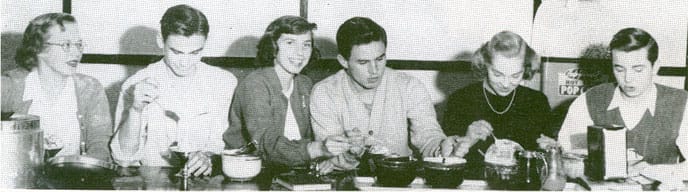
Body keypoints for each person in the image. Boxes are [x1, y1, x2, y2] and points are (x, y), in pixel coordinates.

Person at [310, 17, 458, 172]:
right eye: (363, 62)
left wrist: (443, 149)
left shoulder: (409, 86)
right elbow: (330, 157)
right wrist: (351, 153)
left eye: (380, 59)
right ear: (343, 61)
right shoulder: (324, 93)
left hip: (400, 180)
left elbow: (427, 136)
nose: (374, 70)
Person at [111, 4, 238, 177]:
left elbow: (231, 144)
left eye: (195, 52)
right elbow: (123, 158)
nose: (185, 62)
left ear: (205, 43)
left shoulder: (224, 83)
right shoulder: (135, 85)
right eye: (177, 52)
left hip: (207, 182)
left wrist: (209, 157)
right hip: (154, 183)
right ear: (160, 41)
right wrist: (136, 110)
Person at [558, 28, 687, 190]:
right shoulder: (589, 100)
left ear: (655, 67)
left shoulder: (680, 103)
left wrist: (652, 171)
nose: (627, 78)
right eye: (619, 69)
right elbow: (568, 158)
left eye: (638, 69)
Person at [223, 16, 350, 170]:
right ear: (273, 47)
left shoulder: (304, 84)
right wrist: (318, 149)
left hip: (293, 171)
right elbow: (266, 145)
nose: (300, 53)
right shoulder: (255, 84)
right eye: (290, 43)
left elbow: (311, 138)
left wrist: (327, 158)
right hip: (247, 170)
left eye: (306, 45)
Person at [442, 31, 557, 178]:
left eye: (515, 76)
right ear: (485, 65)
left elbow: (545, 165)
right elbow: (445, 166)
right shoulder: (461, 100)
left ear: (526, 69)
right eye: (497, 74)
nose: (506, 83)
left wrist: (551, 150)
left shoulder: (537, 101)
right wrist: (466, 140)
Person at [1, 13, 112, 161]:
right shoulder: (8, 86)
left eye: (79, 44)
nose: (76, 52)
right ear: (38, 48)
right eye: (66, 45)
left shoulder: (90, 88)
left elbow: (100, 147)